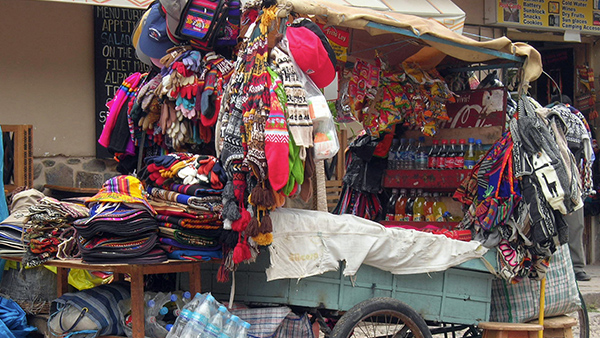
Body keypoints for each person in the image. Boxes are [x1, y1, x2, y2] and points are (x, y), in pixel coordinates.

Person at [549, 94, 592, 281]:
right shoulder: (577, 120)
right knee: (575, 224)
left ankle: (557, 267)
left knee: (552, 223)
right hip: (573, 176)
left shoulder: (548, 116)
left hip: (550, 175)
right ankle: (577, 267)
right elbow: (588, 155)